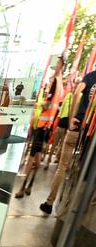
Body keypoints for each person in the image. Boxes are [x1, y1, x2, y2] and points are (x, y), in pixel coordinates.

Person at [40, 69, 96, 214]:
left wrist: (72, 118)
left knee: (63, 167)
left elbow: (77, 92)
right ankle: (68, 208)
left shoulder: (91, 76)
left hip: (77, 125)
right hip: (90, 132)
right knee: (81, 171)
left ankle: (49, 203)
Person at [15, 56, 64, 198]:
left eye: (57, 63)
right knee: (37, 156)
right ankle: (29, 185)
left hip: (43, 125)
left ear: (61, 65)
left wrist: (36, 105)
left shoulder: (55, 82)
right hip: (48, 126)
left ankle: (23, 187)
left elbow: (48, 104)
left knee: (32, 157)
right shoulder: (59, 83)